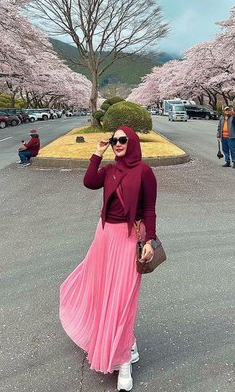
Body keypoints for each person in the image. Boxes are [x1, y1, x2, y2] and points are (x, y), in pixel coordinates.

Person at [60, 125, 158, 391]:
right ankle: (121, 341)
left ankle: (124, 361)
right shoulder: (110, 170)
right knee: (101, 292)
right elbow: (89, 182)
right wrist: (97, 152)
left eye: (122, 140)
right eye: (114, 140)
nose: (117, 143)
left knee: (122, 299)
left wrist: (150, 240)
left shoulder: (145, 172)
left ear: (133, 142)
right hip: (104, 236)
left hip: (129, 237)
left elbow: (149, 208)